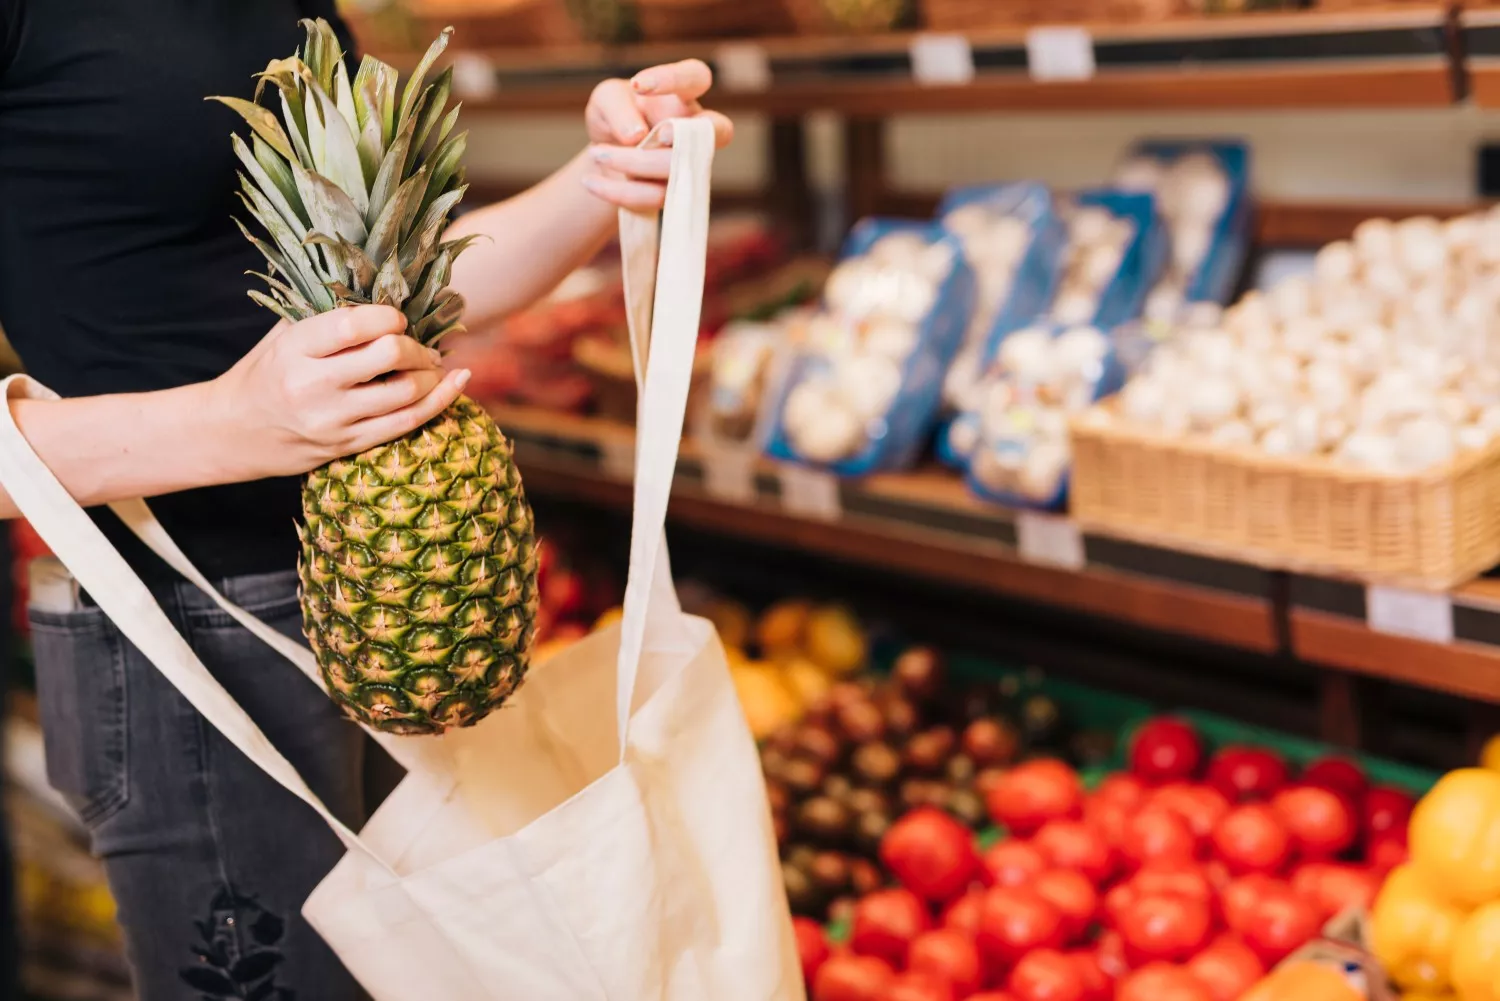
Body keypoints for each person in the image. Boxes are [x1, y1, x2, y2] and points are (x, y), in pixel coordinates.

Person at [0, 1, 732, 997]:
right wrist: (233, 421)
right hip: (184, 632)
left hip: (393, 593)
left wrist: (606, 176)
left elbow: (401, 287)